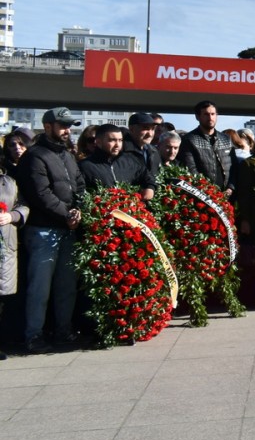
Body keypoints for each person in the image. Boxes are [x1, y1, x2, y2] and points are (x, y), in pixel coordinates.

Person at [15, 108, 86, 354]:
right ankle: (33, 335)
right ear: (48, 127)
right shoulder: (35, 156)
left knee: (66, 287)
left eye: (69, 125)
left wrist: (78, 210)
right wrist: (67, 215)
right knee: (39, 288)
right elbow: (40, 194)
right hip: (43, 231)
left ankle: (63, 330)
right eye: (63, 125)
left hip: (67, 230)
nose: (68, 130)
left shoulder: (67, 155)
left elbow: (79, 185)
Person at [0, 137, 29, 360]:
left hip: (6, 244)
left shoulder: (8, 181)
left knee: (4, 298)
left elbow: (23, 204)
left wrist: (13, 215)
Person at [79, 124, 156, 199]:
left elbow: (147, 176)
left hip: (127, 210)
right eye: (112, 140)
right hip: (101, 209)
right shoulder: (85, 166)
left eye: (120, 140)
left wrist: (150, 188)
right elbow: (79, 191)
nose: (117, 145)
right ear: (98, 142)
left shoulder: (129, 161)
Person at [179, 100, 234, 193]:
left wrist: (231, 187)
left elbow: (234, 167)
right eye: (206, 114)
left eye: (213, 114)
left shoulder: (226, 139)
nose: (210, 117)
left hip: (227, 194)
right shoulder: (189, 139)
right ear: (197, 117)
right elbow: (190, 169)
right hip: (203, 195)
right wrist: (207, 190)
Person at [122, 112, 161, 176]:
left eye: (153, 129)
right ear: (131, 129)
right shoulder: (121, 151)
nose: (150, 134)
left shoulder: (154, 151)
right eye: (146, 128)